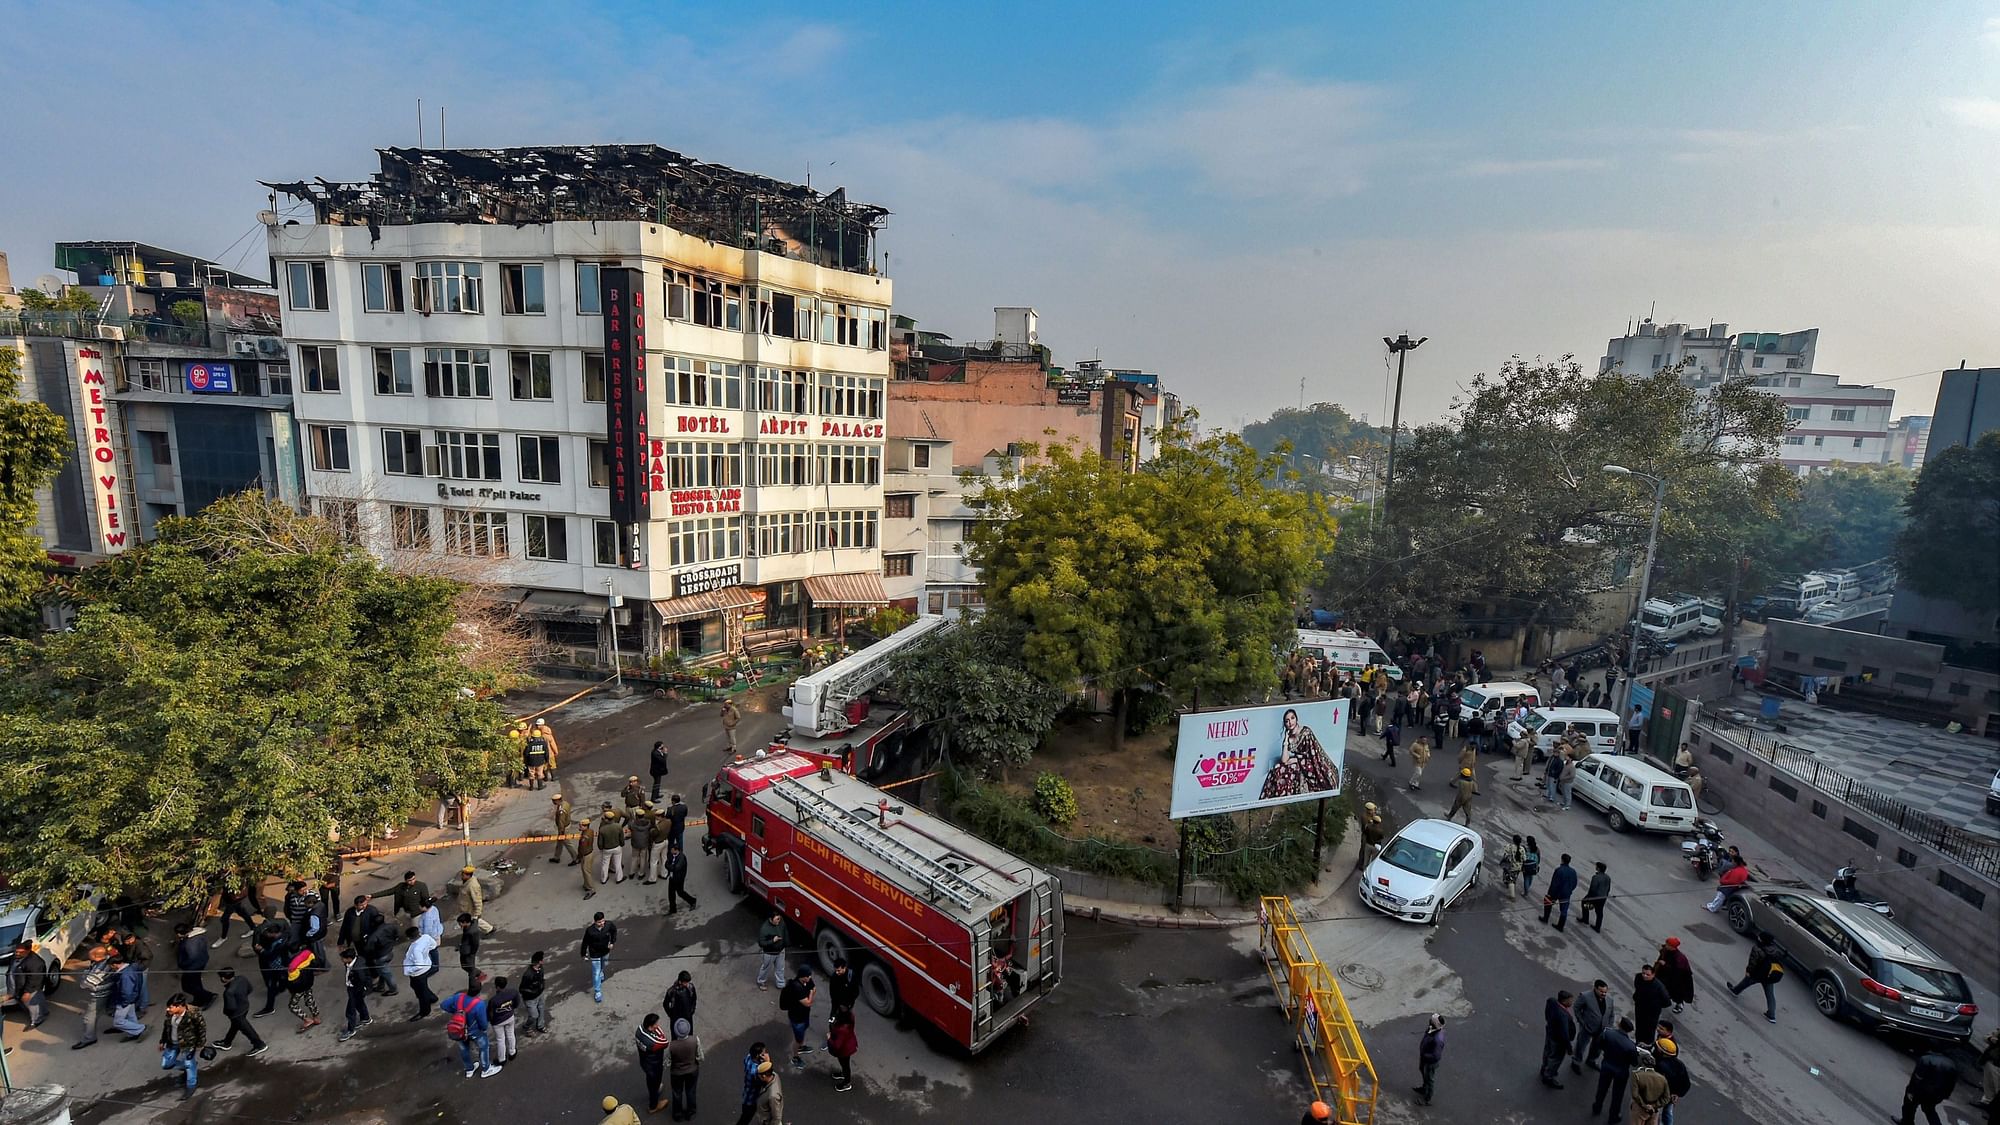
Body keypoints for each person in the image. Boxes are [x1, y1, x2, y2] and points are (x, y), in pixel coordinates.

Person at [1260, 707, 1342, 799]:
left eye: (1292, 718)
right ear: (1285, 724)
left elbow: (1313, 755)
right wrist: (1285, 740)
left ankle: (1287, 797)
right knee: (1277, 768)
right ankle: (1272, 798)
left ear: (1297, 719)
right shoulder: (1289, 738)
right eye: (1287, 721)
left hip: (1312, 764)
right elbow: (1284, 760)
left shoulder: (1306, 732)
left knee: (1291, 769)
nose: (1290, 722)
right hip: (1300, 763)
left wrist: (1296, 760)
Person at [443, 980, 501, 1079]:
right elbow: (483, 1023)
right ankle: (486, 1069)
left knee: (464, 1049)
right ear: (479, 991)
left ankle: (469, 1069)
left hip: (460, 1030)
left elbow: (443, 1005)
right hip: (475, 1031)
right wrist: (483, 1029)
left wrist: (457, 1013)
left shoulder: (459, 997)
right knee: (483, 1048)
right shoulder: (479, 1004)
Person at [157, 993, 207, 1101]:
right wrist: (163, 1041)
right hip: (172, 1043)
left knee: (189, 1064)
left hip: (187, 1044)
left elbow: (201, 1029)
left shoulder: (193, 1014)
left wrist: (200, 1044)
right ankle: (190, 1066)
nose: (168, 1009)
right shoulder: (170, 1014)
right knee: (166, 1064)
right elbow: (166, 1027)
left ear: (179, 1006)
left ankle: (191, 1086)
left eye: (171, 1007)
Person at [208, 967, 268, 1056]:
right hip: (245, 1007)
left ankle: (259, 1045)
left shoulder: (228, 992)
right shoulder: (242, 978)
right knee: (235, 1026)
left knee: (246, 1029)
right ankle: (227, 1042)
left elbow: (230, 1008)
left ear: (224, 978)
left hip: (236, 1014)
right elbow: (250, 989)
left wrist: (226, 1012)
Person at [1591, 1016, 1638, 1122]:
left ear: (1619, 1025)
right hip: (1621, 1071)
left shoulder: (1608, 1033)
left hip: (1607, 1065)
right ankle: (1613, 1115)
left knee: (1602, 1088)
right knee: (1618, 1095)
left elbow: (1599, 1044)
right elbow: (1634, 1062)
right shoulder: (1630, 1046)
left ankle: (1597, 1107)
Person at [1895, 1049, 1958, 1125]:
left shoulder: (1925, 1059)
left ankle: (1907, 1122)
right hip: (1938, 1094)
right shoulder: (1951, 1064)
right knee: (1929, 1109)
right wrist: (1946, 1095)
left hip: (1922, 1091)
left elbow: (1916, 1078)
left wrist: (1910, 1091)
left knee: (1909, 1104)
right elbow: (1951, 1083)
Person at [70, 944, 115, 1048]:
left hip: (100, 995)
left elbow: (86, 983)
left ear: (97, 956)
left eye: (90, 956)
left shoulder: (101, 968)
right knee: (111, 1010)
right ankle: (126, 1025)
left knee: (89, 1018)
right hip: (109, 991)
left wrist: (84, 977)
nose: (88, 957)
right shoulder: (108, 959)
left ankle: (89, 1038)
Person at [778, 964, 816, 1070]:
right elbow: (808, 1003)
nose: (809, 978)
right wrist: (811, 993)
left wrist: (811, 993)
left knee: (803, 1032)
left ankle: (801, 1047)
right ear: (802, 976)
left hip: (804, 1015)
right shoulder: (796, 987)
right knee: (798, 1039)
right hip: (797, 1018)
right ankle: (795, 1057)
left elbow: (814, 988)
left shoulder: (807, 981)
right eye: (807, 976)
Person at [1572, 979, 1614, 1072]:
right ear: (1595, 988)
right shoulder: (1585, 996)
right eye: (1601, 991)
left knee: (1597, 1047)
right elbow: (1576, 1008)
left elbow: (1611, 1014)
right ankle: (1576, 1061)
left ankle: (1591, 1060)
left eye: (1605, 992)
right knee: (1581, 1045)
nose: (1604, 994)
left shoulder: (1610, 1000)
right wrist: (1582, 1022)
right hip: (1587, 1027)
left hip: (1602, 1029)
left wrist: (1608, 1027)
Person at [9, 939, 50, 1029]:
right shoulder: (17, 957)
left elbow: (35, 979)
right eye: (16, 951)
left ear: (28, 951)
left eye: (20, 952)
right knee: (25, 1003)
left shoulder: (35, 963)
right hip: (19, 987)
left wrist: (27, 992)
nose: (17, 954)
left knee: (33, 1004)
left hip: (30, 989)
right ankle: (44, 1011)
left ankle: (37, 1020)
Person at [403, 925, 441, 1020]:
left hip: (418, 973)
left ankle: (424, 1011)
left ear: (409, 938)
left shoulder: (416, 949)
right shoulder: (426, 937)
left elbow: (419, 965)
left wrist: (409, 970)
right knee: (418, 986)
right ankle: (432, 997)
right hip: (426, 965)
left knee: (421, 992)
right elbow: (433, 945)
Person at [636, 1012, 671, 1113]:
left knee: (651, 1081)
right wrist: (658, 1031)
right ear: (650, 1027)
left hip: (645, 1062)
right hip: (654, 1065)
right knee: (653, 1083)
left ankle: (656, 1088)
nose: (658, 1026)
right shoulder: (653, 1043)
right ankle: (653, 1106)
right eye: (656, 1024)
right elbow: (665, 1042)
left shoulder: (639, 1030)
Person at [669, 1016, 704, 1118]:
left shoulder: (672, 1045)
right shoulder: (695, 1040)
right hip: (692, 1070)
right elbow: (700, 1056)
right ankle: (691, 1112)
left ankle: (677, 1114)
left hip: (677, 1073)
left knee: (677, 1093)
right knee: (691, 1091)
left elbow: (667, 1061)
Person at [108, 950, 147, 1040]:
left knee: (118, 1022)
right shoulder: (131, 968)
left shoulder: (124, 975)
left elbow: (126, 991)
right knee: (131, 1016)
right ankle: (133, 1034)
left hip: (124, 1000)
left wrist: (124, 1002)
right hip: (132, 997)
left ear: (115, 964)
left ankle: (141, 1028)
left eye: (111, 966)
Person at [1628, 1047, 1672, 1125]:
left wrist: (1645, 1105)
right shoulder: (1662, 1079)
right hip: (1654, 1111)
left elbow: (1635, 1095)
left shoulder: (1637, 1075)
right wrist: (1654, 1106)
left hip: (1640, 1109)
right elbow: (1666, 1098)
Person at [1541, 991, 1576, 1088]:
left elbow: (1547, 1013)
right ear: (1564, 1001)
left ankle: (1544, 1068)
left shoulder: (1552, 1002)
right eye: (1570, 1000)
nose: (1572, 1002)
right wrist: (1568, 1047)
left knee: (1547, 1051)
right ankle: (1549, 1076)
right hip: (1559, 1040)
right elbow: (1565, 1033)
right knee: (1555, 1058)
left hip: (1550, 1032)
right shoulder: (1563, 1015)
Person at [1654, 1037, 1692, 1125]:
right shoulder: (1680, 1064)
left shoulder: (1660, 1065)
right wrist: (1678, 1094)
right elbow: (1687, 1083)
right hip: (1672, 1096)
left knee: (1656, 1114)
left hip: (1661, 1096)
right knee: (1668, 1113)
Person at [582, 911, 618, 1003]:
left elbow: (614, 931)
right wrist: (584, 954)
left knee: (604, 964)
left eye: (603, 921)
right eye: (599, 922)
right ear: (595, 922)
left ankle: (601, 971)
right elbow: (585, 942)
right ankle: (597, 991)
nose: (602, 923)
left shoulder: (608, 925)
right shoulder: (590, 931)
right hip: (595, 954)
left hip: (605, 951)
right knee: (596, 972)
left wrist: (612, 942)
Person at [1632, 964, 1671, 1045]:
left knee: (1649, 1031)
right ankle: (1638, 1043)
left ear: (1653, 974)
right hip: (1639, 1008)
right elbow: (1637, 988)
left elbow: (1667, 1001)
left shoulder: (1658, 986)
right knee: (1639, 1028)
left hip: (1651, 1013)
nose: (1645, 976)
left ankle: (1647, 1046)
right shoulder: (1638, 977)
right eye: (1643, 973)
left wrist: (1655, 1006)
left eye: (1647, 974)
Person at [284, 944, 321, 1032]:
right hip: (309, 982)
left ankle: (307, 1019)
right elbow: (315, 963)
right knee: (309, 999)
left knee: (292, 1005)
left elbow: (292, 981)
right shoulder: (307, 954)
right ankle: (316, 1018)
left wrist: (291, 989)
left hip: (299, 987)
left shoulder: (292, 965)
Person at [1654, 937, 1695, 1012]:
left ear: (1672, 946)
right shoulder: (1666, 951)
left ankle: (1679, 1004)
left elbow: (1677, 971)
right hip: (1665, 975)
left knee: (1676, 992)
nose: (1665, 945)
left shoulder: (1679, 958)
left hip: (1677, 979)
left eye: (1667, 944)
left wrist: (1665, 965)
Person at [735, 1043, 772, 1125]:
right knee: (745, 1119)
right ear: (758, 1055)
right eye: (763, 1053)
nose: (765, 1055)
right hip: (751, 1100)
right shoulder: (755, 1071)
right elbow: (766, 1080)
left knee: (744, 1116)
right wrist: (768, 1062)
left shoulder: (748, 1057)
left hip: (746, 1094)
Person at [1413, 1012, 1445, 1106]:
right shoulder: (1432, 1030)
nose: (1429, 1021)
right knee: (1422, 1071)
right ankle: (1424, 1089)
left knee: (1429, 1079)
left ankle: (1427, 1099)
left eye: (1431, 1020)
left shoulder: (1438, 1039)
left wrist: (1425, 1055)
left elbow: (1435, 1055)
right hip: (1425, 1058)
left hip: (1430, 1062)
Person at [488, 974, 520, 1065]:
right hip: (510, 1017)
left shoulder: (493, 1000)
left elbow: (490, 1013)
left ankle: (502, 1059)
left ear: (497, 986)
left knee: (500, 1039)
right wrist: (511, 1009)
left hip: (498, 1022)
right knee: (511, 1034)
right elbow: (517, 1003)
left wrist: (492, 1021)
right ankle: (512, 1052)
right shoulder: (513, 992)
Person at [1542, 854, 1578, 931]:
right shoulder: (1573, 871)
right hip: (1566, 893)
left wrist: (1550, 893)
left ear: (1562, 860)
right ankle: (1560, 926)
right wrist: (1570, 890)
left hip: (1557, 892)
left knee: (1548, 903)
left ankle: (1545, 918)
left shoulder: (1559, 870)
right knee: (1564, 910)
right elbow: (1575, 883)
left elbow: (1554, 883)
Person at [828, 1006, 859, 1092]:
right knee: (845, 1065)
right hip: (849, 1044)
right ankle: (843, 1074)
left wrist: (829, 1038)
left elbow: (837, 1045)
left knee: (845, 1065)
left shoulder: (841, 1030)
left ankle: (847, 1083)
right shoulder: (851, 1018)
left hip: (844, 1050)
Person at [520, 951, 550, 1035]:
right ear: (538, 962)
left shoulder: (540, 968)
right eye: (541, 960)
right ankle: (526, 1027)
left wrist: (541, 986)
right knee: (534, 1015)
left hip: (540, 994)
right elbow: (522, 989)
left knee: (541, 1009)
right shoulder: (528, 975)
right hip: (530, 998)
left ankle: (540, 1026)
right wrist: (533, 991)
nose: (543, 961)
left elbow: (541, 979)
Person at [597, 810, 630, 886]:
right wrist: (622, 844)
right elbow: (621, 838)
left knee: (605, 864)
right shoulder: (618, 826)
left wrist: (601, 848)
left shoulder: (602, 829)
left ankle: (604, 879)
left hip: (607, 849)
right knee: (618, 863)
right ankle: (619, 878)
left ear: (606, 819)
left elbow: (600, 842)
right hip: (617, 847)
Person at [458, 867, 494, 935]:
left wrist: (477, 913)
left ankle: (469, 938)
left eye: (463, 875)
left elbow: (477, 900)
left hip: (470, 909)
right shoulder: (467, 882)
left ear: (468, 875)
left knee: (471, 922)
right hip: (466, 908)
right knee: (475, 921)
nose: (461, 876)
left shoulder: (473, 886)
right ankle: (489, 929)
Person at [755, 911, 787, 990]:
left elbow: (785, 932)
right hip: (769, 953)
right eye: (776, 919)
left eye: (779, 919)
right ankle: (761, 981)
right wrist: (773, 940)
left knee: (780, 968)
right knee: (766, 968)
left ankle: (780, 983)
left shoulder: (781, 922)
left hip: (781, 951)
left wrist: (785, 944)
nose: (778, 921)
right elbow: (761, 943)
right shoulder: (765, 929)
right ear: (771, 919)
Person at [665, 844, 699, 913]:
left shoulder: (681, 858)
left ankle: (692, 901)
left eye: (672, 849)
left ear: (676, 850)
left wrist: (669, 866)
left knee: (680, 892)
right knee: (671, 894)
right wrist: (669, 866)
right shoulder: (671, 855)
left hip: (678, 879)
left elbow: (676, 868)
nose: (671, 850)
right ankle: (673, 909)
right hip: (672, 878)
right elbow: (666, 863)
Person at [631, 803, 659, 884]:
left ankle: (631, 873)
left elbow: (630, 826)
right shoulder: (648, 823)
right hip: (644, 843)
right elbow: (652, 826)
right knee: (643, 858)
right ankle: (641, 873)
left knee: (634, 858)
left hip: (635, 843)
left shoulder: (633, 823)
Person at [1581, 862, 1613, 932]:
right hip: (1603, 897)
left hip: (1596, 896)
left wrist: (1588, 897)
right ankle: (1597, 926)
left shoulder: (1596, 877)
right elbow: (1608, 888)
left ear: (1598, 868)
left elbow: (1592, 889)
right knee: (1599, 912)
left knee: (1584, 902)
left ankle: (1585, 919)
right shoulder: (1608, 878)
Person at [457, 914, 483, 992]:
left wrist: (472, 953)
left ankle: (473, 988)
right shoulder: (467, 927)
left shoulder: (472, 931)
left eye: (460, 923)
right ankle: (478, 972)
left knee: (471, 970)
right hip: (464, 951)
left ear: (465, 922)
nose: (459, 925)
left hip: (469, 953)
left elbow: (476, 943)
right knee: (464, 966)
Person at [550, 794, 579, 864]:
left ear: (557, 800)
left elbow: (561, 822)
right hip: (567, 824)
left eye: (554, 801)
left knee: (568, 843)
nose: (553, 802)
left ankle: (576, 858)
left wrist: (561, 831)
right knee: (559, 842)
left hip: (563, 829)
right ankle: (556, 857)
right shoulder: (565, 803)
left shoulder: (561, 811)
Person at [578, 817, 598, 899]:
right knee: (584, 869)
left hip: (586, 855)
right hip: (589, 852)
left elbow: (582, 848)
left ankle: (591, 889)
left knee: (586, 871)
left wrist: (579, 855)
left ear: (585, 826)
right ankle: (586, 884)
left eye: (581, 826)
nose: (579, 827)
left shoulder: (584, 837)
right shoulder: (590, 831)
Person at [1500, 835, 1525, 899]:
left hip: (1510, 866)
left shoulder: (1509, 847)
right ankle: (1511, 883)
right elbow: (1524, 859)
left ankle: (1512, 895)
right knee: (1514, 877)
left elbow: (1505, 855)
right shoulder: (1522, 849)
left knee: (1510, 880)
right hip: (1518, 867)